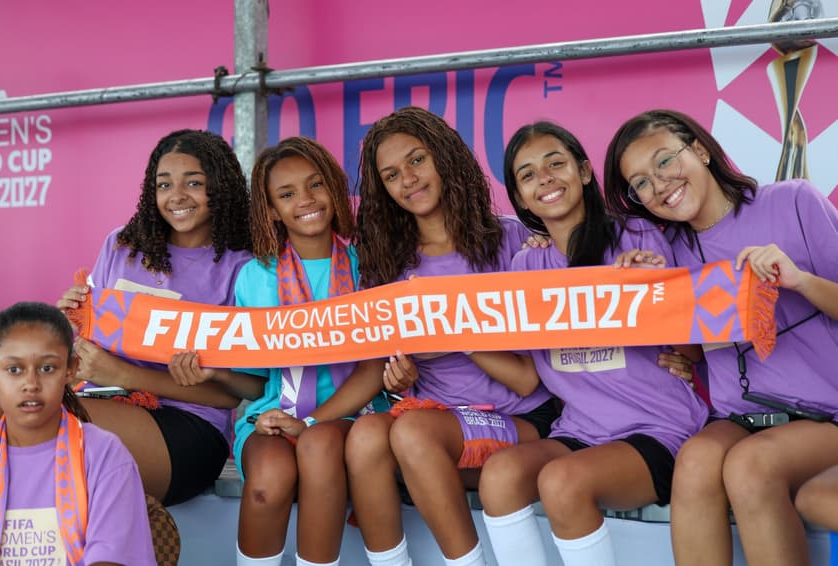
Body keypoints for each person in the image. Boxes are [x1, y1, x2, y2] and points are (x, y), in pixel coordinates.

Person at [604, 108, 838, 566]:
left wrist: (799, 281)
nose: (659, 185)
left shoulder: (793, 201)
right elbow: (693, 350)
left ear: (699, 150)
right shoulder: (667, 251)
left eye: (664, 162)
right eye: (641, 183)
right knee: (693, 463)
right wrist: (653, 297)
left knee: (751, 466)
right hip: (741, 417)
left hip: (826, 415)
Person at [477, 121, 707, 566]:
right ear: (520, 198)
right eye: (527, 175)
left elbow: (695, 351)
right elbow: (527, 378)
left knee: (562, 481)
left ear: (584, 172)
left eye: (555, 163)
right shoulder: (526, 266)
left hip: (657, 427)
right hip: (581, 431)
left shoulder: (638, 237)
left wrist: (651, 290)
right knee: (500, 473)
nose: (544, 178)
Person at [345, 106, 559, 566]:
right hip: (435, 420)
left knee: (414, 432)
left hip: (520, 418)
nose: (408, 179)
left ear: (445, 158)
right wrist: (398, 378)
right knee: (365, 434)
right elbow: (392, 372)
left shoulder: (513, 243)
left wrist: (456, 333)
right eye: (391, 174)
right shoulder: (387, 266)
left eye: (417, 160)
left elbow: (529, 382)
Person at [55, 129, 255, 506]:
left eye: (193, 182)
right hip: (99, 400)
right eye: (164, 184)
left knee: (39, 422)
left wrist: (123, 374)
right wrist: (71, 320)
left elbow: (232, 396)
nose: (176, 196)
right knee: (2, 408)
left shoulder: (242, 268)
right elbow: (89, 340)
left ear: (221, 187)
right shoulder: (122, 244)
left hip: (186, 428)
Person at [233, 136, 388, 566]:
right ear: (271, 210)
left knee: (318, 446)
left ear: (335, 188)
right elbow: (250, 375)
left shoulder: (370, 265)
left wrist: (312, 420)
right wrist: (204, 369)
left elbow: (375, 369)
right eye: (287, 194)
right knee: (267, 479)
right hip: (274, 413)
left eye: (316, 184)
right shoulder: (254, 277)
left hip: (356, 415)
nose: (305, 200)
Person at [0, 301, 156, 566]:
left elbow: (110, 559)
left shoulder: (104, 455)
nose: (30, 384)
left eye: (47, 368)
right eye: (14, 370)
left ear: (71, 370)